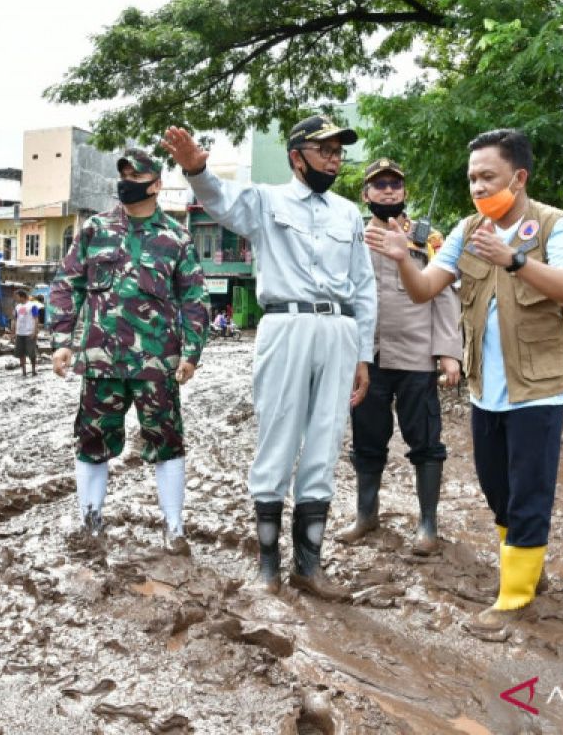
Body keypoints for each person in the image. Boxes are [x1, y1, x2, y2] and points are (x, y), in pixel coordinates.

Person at [365, 128, 563, 636]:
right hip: (487, 390)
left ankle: (514, 597)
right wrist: (403, 257)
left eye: (488, 176)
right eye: (472, 179)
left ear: (519, 176)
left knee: (530, 490)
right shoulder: (465, 230)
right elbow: (423, 291)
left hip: (538, 387)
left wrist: (515, 260)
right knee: (497, 490)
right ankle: (529, 568)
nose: (478, 187)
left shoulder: (555, 226)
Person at [162, 115, 377, 600]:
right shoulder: (267, 200)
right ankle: (267, 569)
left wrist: (364, 353)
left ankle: (309, 567)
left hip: (339, 330)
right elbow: (222, 201)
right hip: (286, 324)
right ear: (297, 156)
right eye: (325, 150)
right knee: (277, 439)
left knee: (324, 444)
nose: (335, 158)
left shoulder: (348, 214)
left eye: (339, 150)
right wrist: (197, 171)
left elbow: (364, 287)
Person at [49, 147, 208, 556]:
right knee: (92, 440)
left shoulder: (176, 237)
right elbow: (67, 285)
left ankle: (174, 528)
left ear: (156, 185)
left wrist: (192, 352)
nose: (126, 184)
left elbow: (193, 298)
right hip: (101, 362)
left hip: (158, 365)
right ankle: (91, 521)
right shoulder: (94, 231)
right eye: (122, 176)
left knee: (167, 441)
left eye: (135, 178)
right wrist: (62, 341)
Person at [338, 158, 463, 556]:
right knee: (367, 439)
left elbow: (444, 296)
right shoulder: (351, 235)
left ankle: (428, 524)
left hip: (415, 354)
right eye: (379, 185)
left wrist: (448, 354)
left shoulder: (427, 239)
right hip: (365, 356)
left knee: (425, 441)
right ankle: (366, 515)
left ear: (405, 192)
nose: (388, 190)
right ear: (366, 194)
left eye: (395, 184)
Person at [11, 289, 41, 377]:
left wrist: (35, 332)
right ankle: (23, 371)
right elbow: (15, 319)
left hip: (29, 333)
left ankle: (33, 370)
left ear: (22, 296)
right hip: (19, 333)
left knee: (31, 353)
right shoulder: (17, 306)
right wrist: (13, 331)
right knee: (20, 353)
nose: (16, 298)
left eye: (17, 296)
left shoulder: (32, 306)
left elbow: (36, 319)